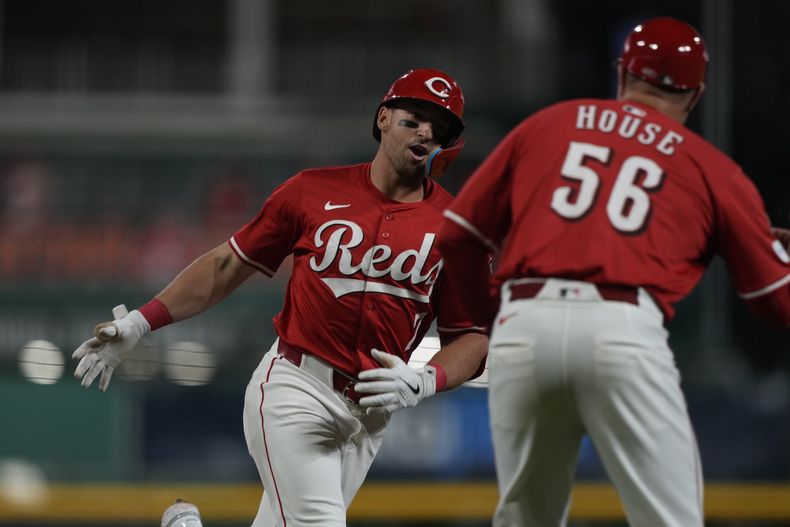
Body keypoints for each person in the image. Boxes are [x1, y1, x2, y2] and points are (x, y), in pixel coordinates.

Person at [72, 68, 488, 527]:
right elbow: (228, 264)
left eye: (440, 127)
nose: (427, 132)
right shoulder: (312, 190)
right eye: (416, 117)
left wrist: (429, 378)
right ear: (384, 118)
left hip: (372, 412)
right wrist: (140, 321)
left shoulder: (457, 230)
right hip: (297, 387)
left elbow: (473, 337)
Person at [437, 17, 790, 527]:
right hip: (620, 331)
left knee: (525, 519)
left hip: (524, 325)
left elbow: (458, 238)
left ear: (623, 74)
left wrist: (497, 320)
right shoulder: (712, 169)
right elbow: (776, 304)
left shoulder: (548, 124)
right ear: (695, 95)